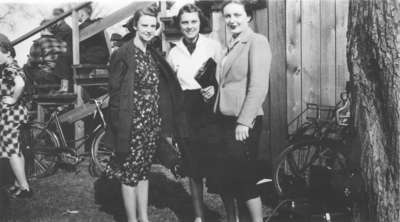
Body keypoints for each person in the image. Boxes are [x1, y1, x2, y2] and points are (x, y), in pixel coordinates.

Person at [105, 6, 183, 222]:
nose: (149, 30)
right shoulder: (123, 53)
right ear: (135, 26)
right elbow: (115, 92)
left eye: (152, 26)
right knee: (130, 172)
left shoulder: (151, 54)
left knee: (144, 171)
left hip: (151, 124)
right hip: (131, 124)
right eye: (144, 25)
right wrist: (119, 125)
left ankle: (144, 218)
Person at [211, 1, 272, 222]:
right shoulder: (232, 44)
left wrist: (244, 122)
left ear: (248, 16)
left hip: (243, 123)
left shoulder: (257, 42)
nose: (232, 20)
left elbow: (258, 86)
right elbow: (228, 83)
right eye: (227, 16)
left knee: (245, 179)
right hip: (224, 121)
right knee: (227, 178)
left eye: (237, 15)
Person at [166, 4, 221, 222]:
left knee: (219, 166)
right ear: (179, 25)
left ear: (201, 22)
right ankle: (199, 216)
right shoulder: (173, 52)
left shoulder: (213, 46)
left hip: (210, 111)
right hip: (186, 112)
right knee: (193, 167)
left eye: (194, 22)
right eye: (185, 22)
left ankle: (233, 215)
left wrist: (215, 88)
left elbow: (225, 78)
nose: (190, 26)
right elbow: (172, 89)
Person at [53, 4, 110, 94]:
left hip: (93, 57)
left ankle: (65, 86)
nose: (74, 16)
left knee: (63, 57)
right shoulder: (94, 24)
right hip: (98, 57)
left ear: (82, 14)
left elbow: (70, 39)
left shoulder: (86, 26)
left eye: (77, 14)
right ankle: (68, 87)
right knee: (67, 58)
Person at [0, 38, 32, 198]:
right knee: (14, 149)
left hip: (11, 114)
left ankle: (25, 187)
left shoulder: (9, 69)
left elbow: (20, 84)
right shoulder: (13, 66)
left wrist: (13, 99)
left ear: (6, 52)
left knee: (12, 150)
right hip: (15, 113)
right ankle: (18, 183)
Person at [23, 19, 68, 93]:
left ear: (43, 28)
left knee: (26, 67)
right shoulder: (63, 42)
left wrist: (31, 60)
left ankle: (32, 96)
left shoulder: (38, 42)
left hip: (47, 77)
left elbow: (32, 62)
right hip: (61, 78)